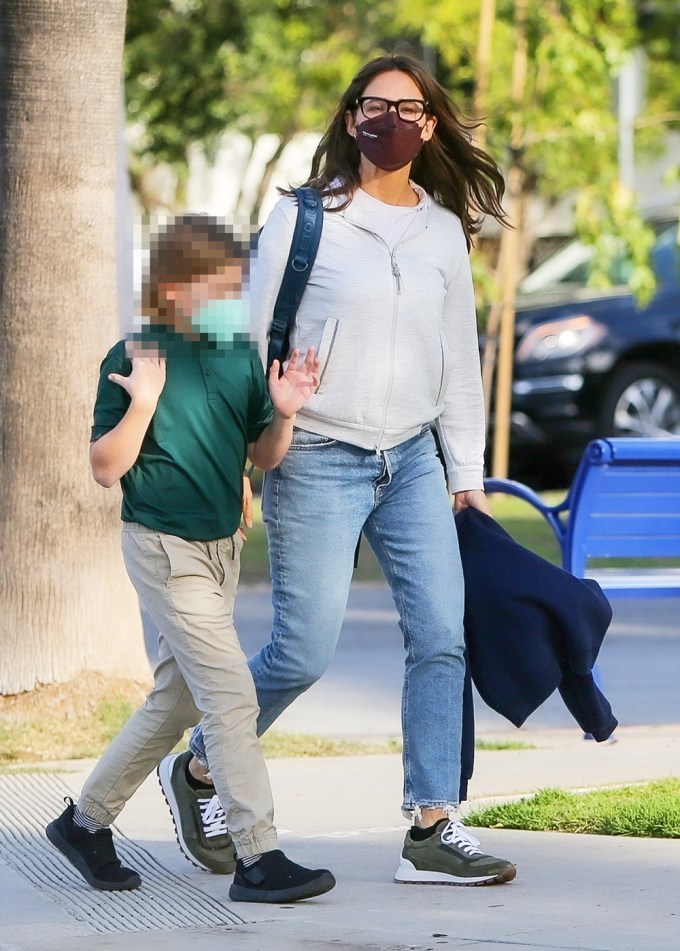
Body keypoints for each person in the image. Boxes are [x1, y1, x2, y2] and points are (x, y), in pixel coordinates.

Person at [160, 53, 518, 886]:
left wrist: (465, 470)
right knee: (302, 651)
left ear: (431, 126)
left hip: (415, 459)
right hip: (317, 453)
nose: (387, 120)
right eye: (372, 104)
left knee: (441, 636)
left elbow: (457, 358)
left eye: (407, 107)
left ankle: (432, 825)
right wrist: (239, 459)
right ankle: (203, 764)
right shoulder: (306, 217)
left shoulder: (440, 228)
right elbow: (249, 344)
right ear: (352, 116)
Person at [45, 215, 336, 904]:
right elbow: (104, 466)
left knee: (175, 700)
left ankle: (84, 822)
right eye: (222, 287)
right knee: (231, 695)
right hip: (162, 547)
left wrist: (287, 410)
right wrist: (142, 400)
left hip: (220, 548)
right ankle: (257, 855)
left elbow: (262, 456)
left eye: (238, 286)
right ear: (174, 290)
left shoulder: (237, 354)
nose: (235, 298)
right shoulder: (134, 353)